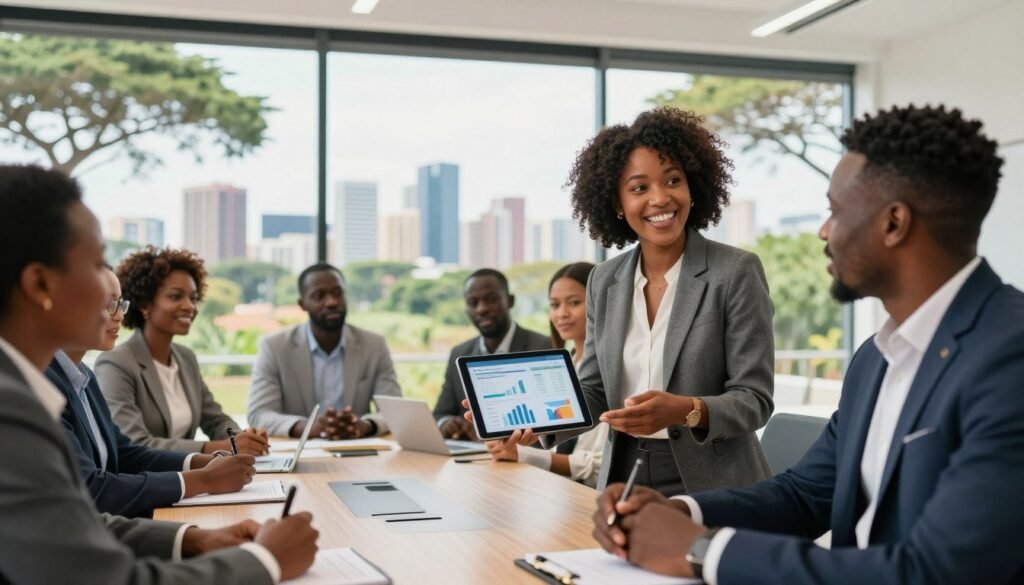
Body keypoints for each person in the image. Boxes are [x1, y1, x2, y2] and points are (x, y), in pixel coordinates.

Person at [590, 105, 1024, 585]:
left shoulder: (1011, 357)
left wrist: (700, 552)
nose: (823, 231)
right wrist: (678, 511)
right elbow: (806, 495)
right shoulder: (875, 360)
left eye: (835, 211)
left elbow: (934, 572)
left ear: (893, 222)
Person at [0, 164, 318, 584]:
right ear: (41, 285)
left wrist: (193, 540)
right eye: (96, 263)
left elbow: (71, 522)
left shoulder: (28, 388)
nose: (113, 295)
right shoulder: (10, 410)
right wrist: (266, 562)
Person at [485, 107, 775, 495]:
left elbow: (754, 399)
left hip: (713, 478)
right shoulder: (605, 280)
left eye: (673, 180)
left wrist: (684, 410)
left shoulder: (735, 271)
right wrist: (535, 418)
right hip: (625, 472)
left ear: (693, 187)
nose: (660, 198)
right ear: (618, 204)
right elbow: (594, 390)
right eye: (639, 188)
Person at [45, 266, 255, 518]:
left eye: (120, 304)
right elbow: (92, 489)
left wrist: (203, 462)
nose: (118, 315)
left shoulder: (83, 377)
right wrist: (204, 480)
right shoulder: (43, 383)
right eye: (107, 304)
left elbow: (125, 454)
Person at [95, 247, 269, 455]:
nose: (189, 306)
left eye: (193, 298)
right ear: (144, 304)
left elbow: (215, 419)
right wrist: (218, 448)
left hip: (192, 478)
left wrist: (242, 438)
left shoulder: (185, 358)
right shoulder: (116, 363)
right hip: (152, 480)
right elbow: (135, 443)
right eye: (176, 296)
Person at [484, 262, 610, 488]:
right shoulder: (564, 365)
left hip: (586, 495)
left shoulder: (606, 377)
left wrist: (523, 455)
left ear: (597, 302)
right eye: (555, 304)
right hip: (556, 490)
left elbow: (597, 467)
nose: (562, 313)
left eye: (574, 302)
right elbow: (551, 444)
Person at [247, 263, 401, 438]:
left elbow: (395, 410)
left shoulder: (374, 345)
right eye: (319, 296)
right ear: (302, 304)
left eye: (338, 293)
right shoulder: (275, 347)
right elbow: (259, 414)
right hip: (302, 453)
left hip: (358, 449)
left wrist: (365, 426)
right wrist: (308, 427)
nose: (332, 302)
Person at [433, 268, 550, 440]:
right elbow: (440, 413)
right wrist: (446, 423)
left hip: (522, 456)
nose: (482, 309)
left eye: (491, 299)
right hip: (470, 457)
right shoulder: (459, 353)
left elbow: (550, 420)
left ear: (509, 301)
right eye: (473, 302)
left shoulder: (542, 347)